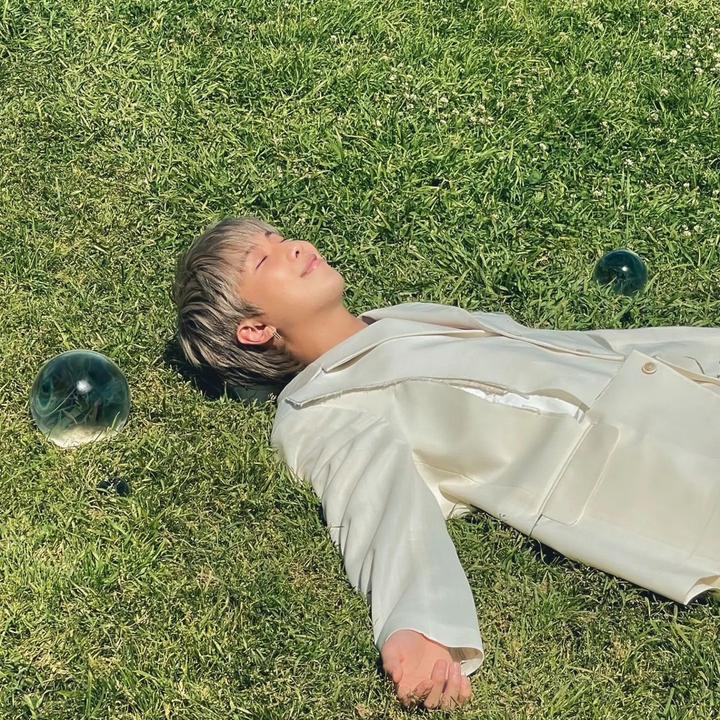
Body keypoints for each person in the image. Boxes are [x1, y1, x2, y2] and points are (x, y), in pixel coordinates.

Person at [173, 215, 720, 711]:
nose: (293, 247)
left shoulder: (399, 318)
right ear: (255, 329)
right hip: (641, 459)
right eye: (264, 259)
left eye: (279, 237)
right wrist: (416, 624)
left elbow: (552, 349)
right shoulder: (319, 408)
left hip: (666, 388)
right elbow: (377, 498)